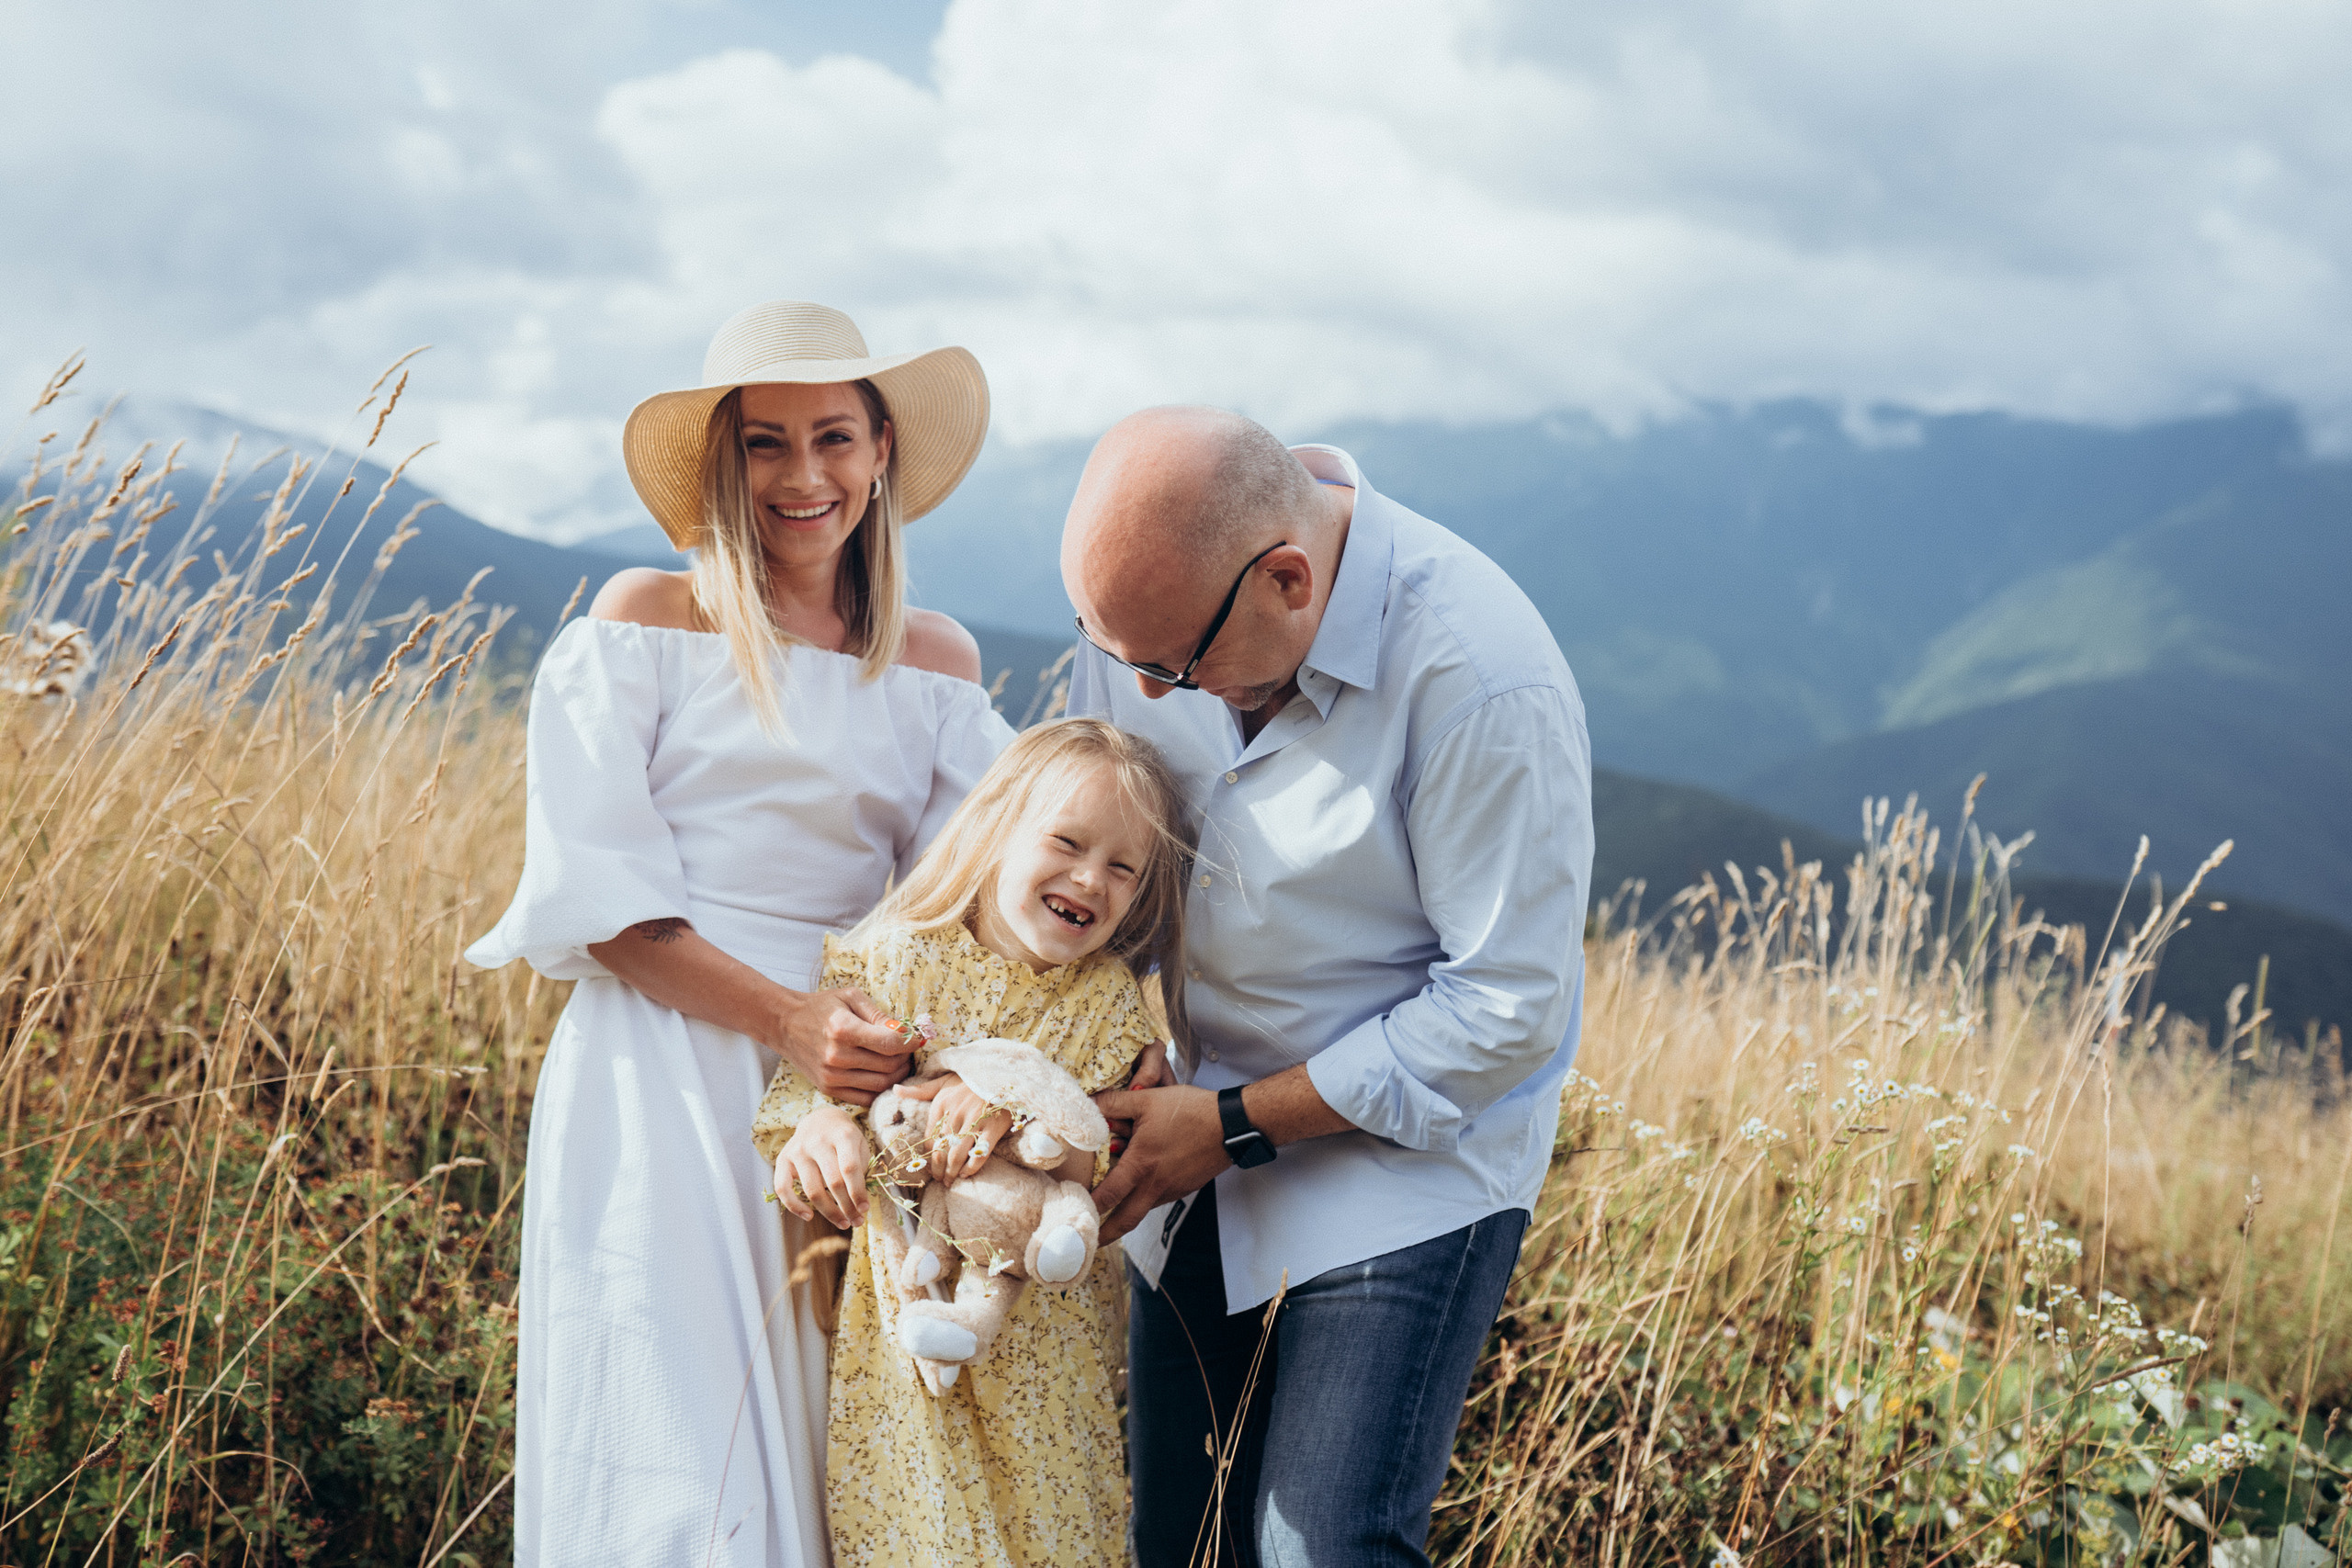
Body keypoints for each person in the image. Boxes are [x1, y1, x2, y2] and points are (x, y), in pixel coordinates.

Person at [464, 300, 1012, 1566]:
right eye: (765, 443)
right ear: (726, 463)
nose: (804, 476)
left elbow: (968, 902)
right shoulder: (646, 618)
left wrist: (903, 1064)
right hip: (657, 1068)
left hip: (852, 1091)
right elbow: (606, 908)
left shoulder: (936, 664)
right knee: (670, 1447)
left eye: (833, 436)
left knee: (829, 1447)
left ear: (882, 452)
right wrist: (789, 1021)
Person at [1060, 407, 1595, 1568]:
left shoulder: (1481, 675)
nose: (1144, 696)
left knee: (1322, 1550)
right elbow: (1094, 848)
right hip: (1187, 1134)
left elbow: (1508, 1007)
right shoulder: (1163, 612)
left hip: (1405, 1169)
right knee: (1180, 1543)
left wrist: (1239, 1125)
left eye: (1169, 666)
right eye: (1119, 658)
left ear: (1290, 580)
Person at [754, 717, 1189, 1568]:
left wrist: (1017, 1102)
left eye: (1122, 868)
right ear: (997, 827)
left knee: (1052, 1531)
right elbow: (812, 1097)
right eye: (1066, 842)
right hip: (910, 1321)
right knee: (923, 1531)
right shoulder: (895, 964)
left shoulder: (1106, 1003)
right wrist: (820, 1132)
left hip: (1046, 1343)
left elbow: (1102, 1164)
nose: (1088, 879)